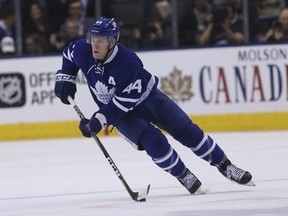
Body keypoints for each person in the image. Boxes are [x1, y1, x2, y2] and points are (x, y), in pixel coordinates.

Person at [54, 17, 254, 194]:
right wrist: (66, 77)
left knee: (188, 132)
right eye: (93, 39)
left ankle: (226, 166)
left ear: (113, 42)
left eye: (100, 41)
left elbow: (117, 106)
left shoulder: (127, 63)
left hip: (147, 99)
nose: (94, 45)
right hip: (124, 116)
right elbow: (68, 55)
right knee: (154, 142)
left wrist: (97, 122)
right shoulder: (82, 49)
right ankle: (183, 175)